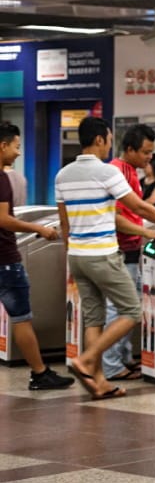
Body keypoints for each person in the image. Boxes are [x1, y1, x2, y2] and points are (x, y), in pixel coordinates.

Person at [57, 117, 155, 399]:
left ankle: (98, 382)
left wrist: (71, 254)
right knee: (132, 311)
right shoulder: (107, 172)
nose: (111, 143)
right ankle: (86, 360)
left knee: (94, 318)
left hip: (77, 255)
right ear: (99, 140)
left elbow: (64, 224)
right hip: (102, 254)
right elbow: (140, 209)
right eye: (109, 138)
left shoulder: (62, 175)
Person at [0, 123, 73, 390]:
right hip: (5, 260)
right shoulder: (1, 180)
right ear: (3, 146)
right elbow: (4, 219)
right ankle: (40, 373)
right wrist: (39, 228)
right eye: (17, 146)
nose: (19, 153)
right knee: (21, 317)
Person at [102, 124, 155, 383]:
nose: (149, 158)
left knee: (127, 307)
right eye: (145, 152)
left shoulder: (129, 171)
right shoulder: (118, 172)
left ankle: (124, 359)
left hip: (131, 250)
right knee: (119, 309)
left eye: (151, 152)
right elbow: (117, 218)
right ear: (129, 149)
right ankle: (110, 366)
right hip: (121, 249)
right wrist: (147, 232)